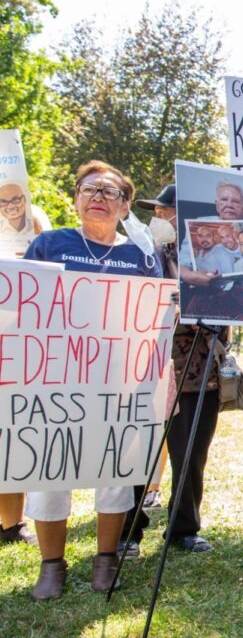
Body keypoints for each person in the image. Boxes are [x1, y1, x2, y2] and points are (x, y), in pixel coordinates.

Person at [22, 161, 162, 600]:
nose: (98, 197)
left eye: (110, 192)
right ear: (76, 198)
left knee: (116, 471)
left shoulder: (140, 256)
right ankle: (52, 565)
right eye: (89, 189)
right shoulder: (49, 244)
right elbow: (23, 307)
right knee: (49, 468)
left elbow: (156, 314)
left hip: (117, 382)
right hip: (54, 379)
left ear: (124, 207)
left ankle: (106, 561)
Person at [121, 184, 227, 558]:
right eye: (160, 211)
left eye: (169, 211)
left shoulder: (212, 254)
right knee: (138, 452)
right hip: (147, 367)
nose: (162, 216)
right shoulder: (140, 253)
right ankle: (128, 530)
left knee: (192, 454)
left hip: (199, 370)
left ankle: (183, 528)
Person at [0, 181, 47, 546]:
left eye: (17, 200)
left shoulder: (41, 234)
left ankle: (12, 523)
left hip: (22, 347)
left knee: (15, 434)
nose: (11, 207)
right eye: (4, 202)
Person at [179, 181, 243, 321]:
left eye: (236, 201)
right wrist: (188, 276)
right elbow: (183, 262)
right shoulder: (199, 224)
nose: (229, 204)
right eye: (224, 200)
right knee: (196, 324)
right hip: (210, 290)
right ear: (217, 205)